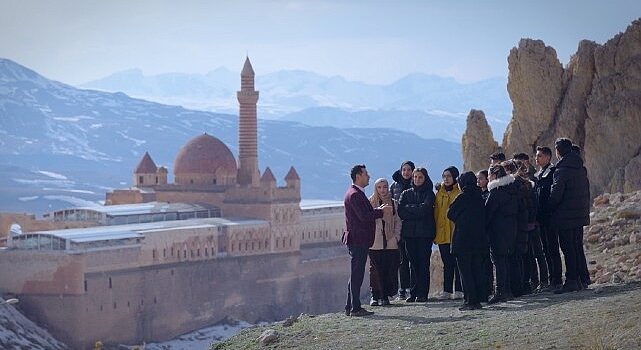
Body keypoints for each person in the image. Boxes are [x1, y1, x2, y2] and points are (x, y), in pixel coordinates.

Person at [343, 164, 392, 316]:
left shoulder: (356, 193)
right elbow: (363, 216)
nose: (368, 176)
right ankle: (355, 308)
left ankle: (350, 306)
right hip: (358, 240)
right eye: (366, 174)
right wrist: (381, 212)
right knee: (357, 274)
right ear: (358, 176)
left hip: (359, 239)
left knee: (356, 273)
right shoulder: (355, 194)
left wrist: (378, 210)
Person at [549, 139, 591, 294]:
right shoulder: (580, 168)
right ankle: (579, 279)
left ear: (558, 151)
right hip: (579, 215)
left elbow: (555, 196)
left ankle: (572, 280)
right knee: (576, 246)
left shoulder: (561, 170)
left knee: (568, 248)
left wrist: (548, 208)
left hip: (565, 217)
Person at [447, 172, 488, 310]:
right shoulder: (480, 196)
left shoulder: (463, 197)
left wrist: (461, 220)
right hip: (478, 240)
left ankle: (470, 300)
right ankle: (479, 297)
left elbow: (450, 213)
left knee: (465, 272)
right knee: (477, 270)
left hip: (463, 240)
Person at [397, 167, 436, 303]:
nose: (417, 180)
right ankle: (413, 293)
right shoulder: (406, 193)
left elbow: (425, 210)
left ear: (425, 179)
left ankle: (422, 293)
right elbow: (401, 211)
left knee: (423, 263)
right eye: (415, 177)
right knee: (412, 263)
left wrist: (410, 209)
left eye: (420, 177)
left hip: (425, 235)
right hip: (409, 235)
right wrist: (416, 209)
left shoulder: (429, 194)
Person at [485, 164, 519, 303]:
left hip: (497, 231)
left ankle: (500, 291)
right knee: (506, 260)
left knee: (498, 261)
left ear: (494, 176)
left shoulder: (495, 193)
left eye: (489, 175)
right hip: (511, 230)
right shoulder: (512, 190)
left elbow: (487, 214)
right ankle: (508, 290)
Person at [368, 178, 401, 306]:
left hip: (390, 240)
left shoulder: (393, 203)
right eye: (379, 187)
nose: (382, 190)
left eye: (385, 187)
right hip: (375, 241)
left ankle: (385, 295)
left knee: (389, 268)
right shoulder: (371, 202)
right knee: (375, 270)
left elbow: (398, 220)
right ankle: (375, 296)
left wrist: (396, 236)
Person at [534, 146, 561, 291]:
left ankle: (556, 279)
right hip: (542, 219)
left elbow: (551, 196)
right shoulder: (540, 175)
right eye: (536, 156)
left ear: (548, 157)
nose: (536, 159)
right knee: (546, 249)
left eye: (539, 156)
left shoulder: (552, 173)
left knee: (553, 249)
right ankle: (551, 279)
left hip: (550, 218)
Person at [434, 166, 463, 300]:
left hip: (456, 233)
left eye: (449, 176)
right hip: (442, 233)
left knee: (458, 263)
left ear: (455, 177)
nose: (446, 179)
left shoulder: (459, 191)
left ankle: (459, 289)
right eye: (444, 176)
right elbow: (436, 213)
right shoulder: (439, 192)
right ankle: (446, 290)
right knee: (447, 263)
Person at [390, 160, 415, 300]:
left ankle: (413, 288)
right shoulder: (394, 186)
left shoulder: (416, 184)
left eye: (409, 170)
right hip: (398, 228)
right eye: (404, 169)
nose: (406, 172)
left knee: (413, 259)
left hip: (413, 227)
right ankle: (402, 289)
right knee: (402, 260)